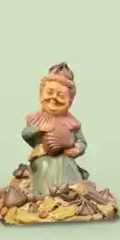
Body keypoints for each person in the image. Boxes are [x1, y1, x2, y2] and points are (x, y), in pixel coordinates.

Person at [21, 62, 87, 197]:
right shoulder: (37, 118)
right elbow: (25, 133)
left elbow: (81, 141)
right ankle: (43, 195)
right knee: (45, 166)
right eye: (49, 93)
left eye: (61, 96)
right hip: (42, 155)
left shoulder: (72, 123)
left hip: (65, 156)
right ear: (41, 94)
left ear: (70, 101)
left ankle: (70, 194)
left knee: (69, 167)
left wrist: (77, 149)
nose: (54, 98)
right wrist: (39, 129)